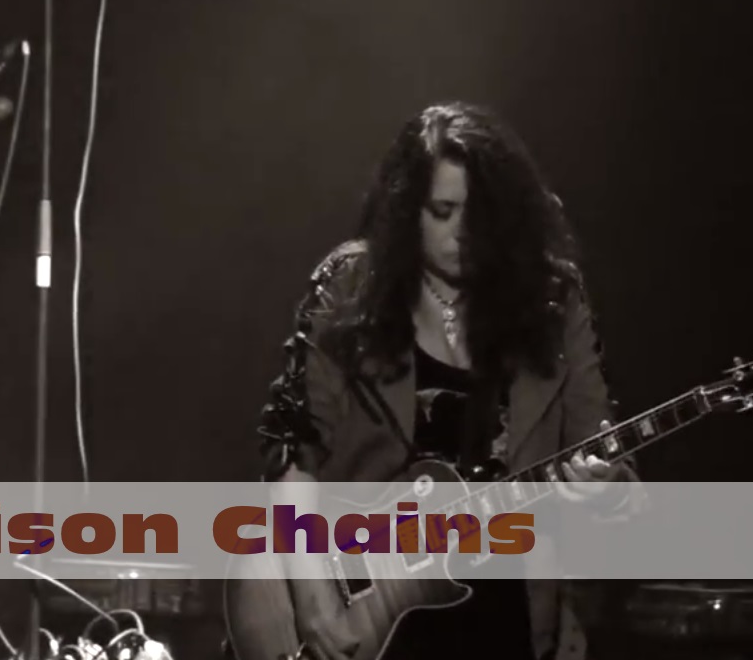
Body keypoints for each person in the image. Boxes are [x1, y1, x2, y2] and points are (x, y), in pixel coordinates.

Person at [255, 102, 646, 660]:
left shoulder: (553, 301)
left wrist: (605, 490)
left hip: (509, 621)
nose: (462, 232)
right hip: (364, 610)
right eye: (443, 211)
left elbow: (607, 458)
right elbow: (293, 448)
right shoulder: (351, 286)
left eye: (479, 214)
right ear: (406, 208)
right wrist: (313, 598)